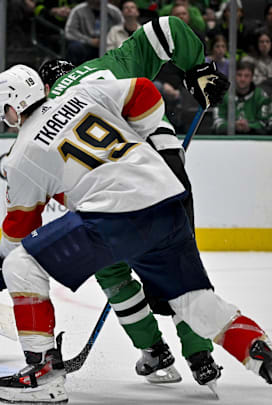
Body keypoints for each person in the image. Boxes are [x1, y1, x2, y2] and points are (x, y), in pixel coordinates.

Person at [0, 62, 272, 405]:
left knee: (21, 266)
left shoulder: (22, 155)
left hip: (114, 217)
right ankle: (260, 354)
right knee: (194, 302)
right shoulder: (82, 93)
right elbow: (145, 92)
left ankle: (42, 374)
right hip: (167, 197)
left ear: (10, 107)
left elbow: (20, 228)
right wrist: (139, 137)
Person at [30, 15, 231, 387]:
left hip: (110, 191)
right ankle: (200, 354)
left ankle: (153, 349)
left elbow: (44, 182)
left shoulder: (47, 112)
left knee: (111, 269)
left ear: (44, 87)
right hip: (164, 168)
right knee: (178, 259)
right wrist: (198, 68)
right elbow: (167, 28)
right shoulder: (107, 64)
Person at [213, 61, 272, 135]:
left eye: (246, 76)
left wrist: (249, 127)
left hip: (255, 141)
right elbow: (217, 124)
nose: (242, 79)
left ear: (252, 77)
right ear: (234, 76)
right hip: (228, 141)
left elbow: (266, 124)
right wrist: (233, 126)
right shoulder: (222, 95)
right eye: (239, 75)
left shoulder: (261, 96)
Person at [64, 0, 123, 65]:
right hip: (86, 46)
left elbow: (122, 29)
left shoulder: (114, 11)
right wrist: (90, 41)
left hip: (109, 45)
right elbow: (69, 32)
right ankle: (73, 73)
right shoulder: (78, 10)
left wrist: (109, 40)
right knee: (74, 48)